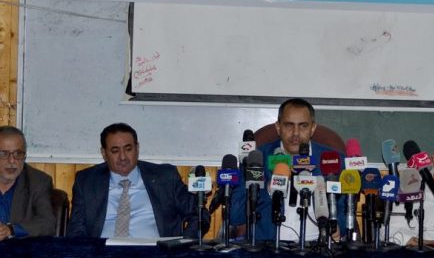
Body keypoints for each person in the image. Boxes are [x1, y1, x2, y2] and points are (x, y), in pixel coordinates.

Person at [231, 98, 347, 243]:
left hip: (317, 245)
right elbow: (236, 216)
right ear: (278, 127)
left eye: (303, 126)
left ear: (312, 128)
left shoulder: (333, 160)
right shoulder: (257, 158)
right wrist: (268, 188)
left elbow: (343, 209)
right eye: (288, 125)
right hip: (268, 246)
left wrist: (338, 227)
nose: (296, 133)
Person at [67, 123, 206, 238]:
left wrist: (183, 244)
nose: (122, 157)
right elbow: (76, 229)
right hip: (103, 254)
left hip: (154, 254)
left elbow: (200, 214)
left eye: (128, 149)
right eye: (115, 151)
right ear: (104, 153)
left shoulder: (164, 177)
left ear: (137, 148)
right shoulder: (87, 181)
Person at [0, 126, 55, 240]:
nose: (12, 161)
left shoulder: (38, 182)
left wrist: (11, 230)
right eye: (4, 154)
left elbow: (47, 223)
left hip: (21, 249)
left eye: (18, 153)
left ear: (24, 155)